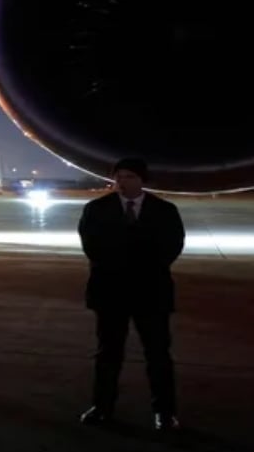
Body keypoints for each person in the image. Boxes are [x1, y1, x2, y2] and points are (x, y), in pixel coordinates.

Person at [77, 157, 185, 431]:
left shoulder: (165, 210)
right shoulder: (96, 209)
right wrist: (134, 258)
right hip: (111, 293)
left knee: (158, 355)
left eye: (129, 177)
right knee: (108, 354)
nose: (122, 182)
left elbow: (172, 247)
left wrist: (130, 260)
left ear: (142, 180)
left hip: (151, 293)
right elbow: (92, 247)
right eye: (119, 177)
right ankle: (102, 407)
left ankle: (164, 412)